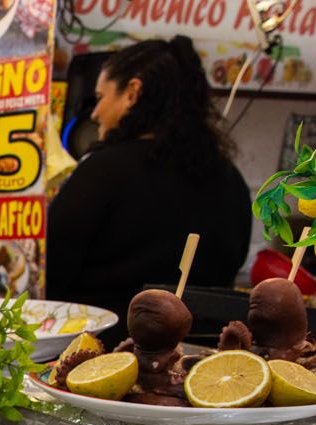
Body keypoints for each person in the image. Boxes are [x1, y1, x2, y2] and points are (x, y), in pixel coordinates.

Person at [47, 36, 251, 342]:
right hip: (200, 362)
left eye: (101, 97)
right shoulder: (230, 176)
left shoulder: (101, 171)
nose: (94, 112)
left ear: (132, 92)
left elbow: (51, 270)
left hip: (102, 359)